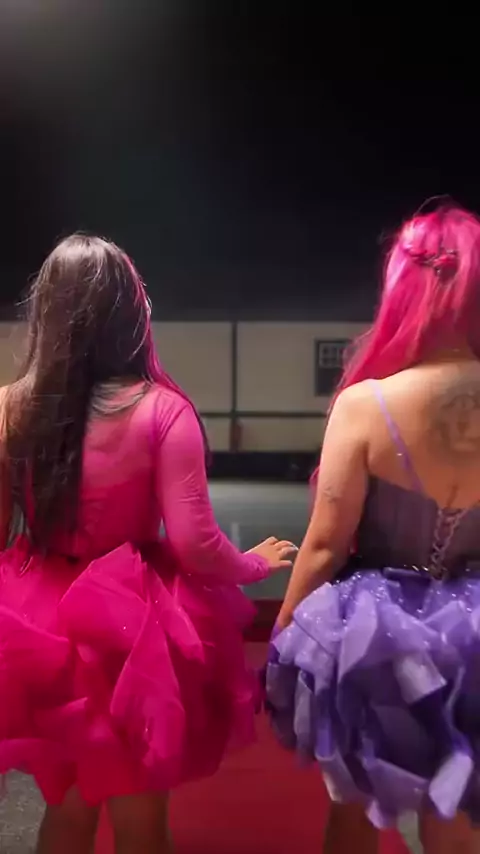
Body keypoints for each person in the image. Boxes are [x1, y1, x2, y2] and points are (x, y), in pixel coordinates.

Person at [0, 234, 296, 854]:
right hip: (135, 628)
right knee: (141, 818)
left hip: (40, 627)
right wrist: (253, 564)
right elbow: (195, 543)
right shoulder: (163, 410)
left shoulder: (9, 409)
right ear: (131, 312)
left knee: (67, 808)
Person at [265, 201, 480, 854]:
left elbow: (325, 545)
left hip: (371, 636)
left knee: (352, 809)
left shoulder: (366, 405)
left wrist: (283, 637)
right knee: (457, 812)